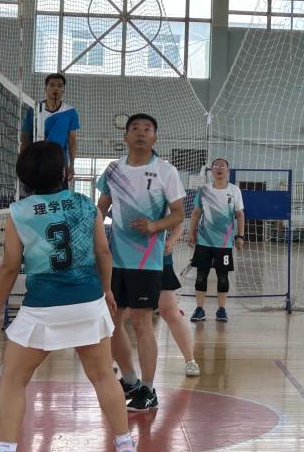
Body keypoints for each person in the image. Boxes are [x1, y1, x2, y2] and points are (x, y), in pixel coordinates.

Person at [0, 141, 137, 452]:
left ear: (24, 175)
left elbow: (10, 266)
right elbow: (103, 252)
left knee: (13, 379)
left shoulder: (19, 212)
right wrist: (107, 290)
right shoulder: (85, 205)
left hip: (42, 306)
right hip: (87, 301)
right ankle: (125, 447)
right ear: (65, 172)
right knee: (103, 376)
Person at [97, 114, 185, 412]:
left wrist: (154, 225)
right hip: (114, 259)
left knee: (141, 322)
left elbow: (178, 213)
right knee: (111, 321)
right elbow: (101, 208)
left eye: (147, 129)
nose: (141, 133)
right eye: (135, 128)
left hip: (147, 261)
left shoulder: (165, 171)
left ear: (154, 138)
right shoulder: (114, 170)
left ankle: (148, 389)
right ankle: (131, 380)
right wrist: (93, 239)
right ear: (125, 136)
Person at [189, 158, 245, 323]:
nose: (219, 168)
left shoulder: (234, 190)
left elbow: (240, 214)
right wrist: (191, 232)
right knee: (201, 276)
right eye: (216, 166)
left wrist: (240, 236)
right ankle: (199, 309)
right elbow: (196, 212)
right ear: (211, 170)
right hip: (203, 242)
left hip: (224, 244)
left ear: (228, 170)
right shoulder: (204, 190)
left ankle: (221, 310)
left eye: (222, 166)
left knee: (223, 277)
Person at [20, 73, 80, 185]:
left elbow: (72, 140)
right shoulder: (34, 109)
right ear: (46, 88)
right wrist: (22, 160)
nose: (55, 88)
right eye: (52, 85)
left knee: (58, 190)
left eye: (59, 86)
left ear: (63, 90)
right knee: (37, 190)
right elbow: (25, 136)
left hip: (59, 160)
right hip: (37, 159)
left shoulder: (71, 112)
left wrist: (71, 164)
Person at [159, 220, 199, 377]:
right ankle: (110, 361)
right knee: (121, 315)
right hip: (125, 263)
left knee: (171, 312)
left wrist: (170, 241)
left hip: (160, 261)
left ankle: (190, 360)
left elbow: (178, 222)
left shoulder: (164, 205)